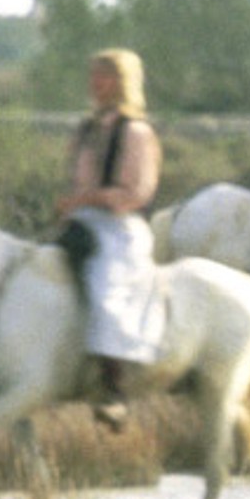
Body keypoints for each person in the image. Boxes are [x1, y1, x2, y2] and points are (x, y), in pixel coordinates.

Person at [57, 47, 163, 431]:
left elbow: (135, 193)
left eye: (104, 75)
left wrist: (83, 200)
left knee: (106, 290)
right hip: (84, 220)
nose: (95, 82)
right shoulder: (86, 129)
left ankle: (115, 390)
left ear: (122, 82)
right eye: (94, 73)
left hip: (120, 227)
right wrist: (72, 205)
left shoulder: (135, 132)